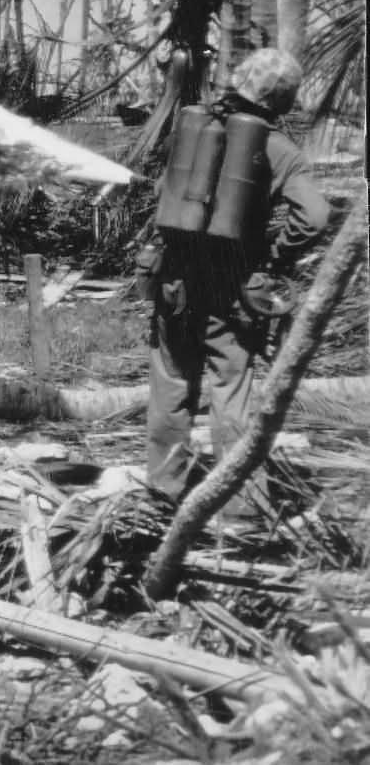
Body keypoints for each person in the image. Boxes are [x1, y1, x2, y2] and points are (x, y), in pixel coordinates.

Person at [146, 47, 330, 521]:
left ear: (241, 78)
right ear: (284, 101)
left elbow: (163, 193)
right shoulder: (279, 149)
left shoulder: (193, 129)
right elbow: (316, 216)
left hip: (175, 278)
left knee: (172, 382)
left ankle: (166, 492)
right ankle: (240, 505)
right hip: (232, 285)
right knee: (232, 387)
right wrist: (278, 254)